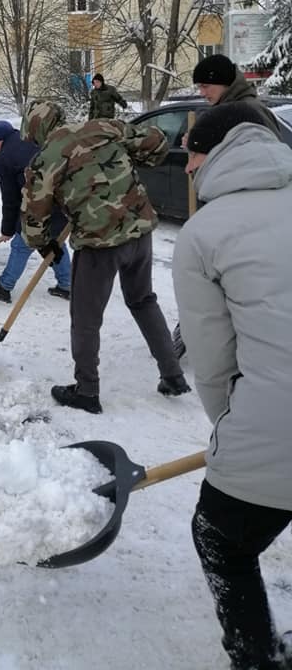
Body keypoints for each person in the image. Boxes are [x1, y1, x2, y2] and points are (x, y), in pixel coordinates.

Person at [172, 102, 292, 670]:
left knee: (221, 537)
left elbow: (214, 362)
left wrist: (230, 434)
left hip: (275, 420)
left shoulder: (203, 235)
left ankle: (256, 658)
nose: (188, 168)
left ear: (214, 152)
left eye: (193, 152)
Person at [20, 100, 189, 414]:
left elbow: (33, 215)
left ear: (35, 129)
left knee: (85, 319)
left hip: (99, 245)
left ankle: (86, 392)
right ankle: (173, 376)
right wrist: (135, 160)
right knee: (143, 300)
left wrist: (44, 244)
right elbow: (155, 141)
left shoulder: (45, 160)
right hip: (140, 231)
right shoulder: (103, 126)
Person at [0, 120, 71, 304]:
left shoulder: (4, 159)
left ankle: (4, 288)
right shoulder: (30, 140)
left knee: (21, 245)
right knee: (54, 242)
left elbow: (10, 199)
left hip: (38, 206)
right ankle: (67, 285)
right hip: (61, 199)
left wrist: (8, 229)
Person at [192, 53, 280, 134]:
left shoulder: (251, 110)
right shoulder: (225, 109)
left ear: (224, 82)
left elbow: (269, 149)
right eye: (199, 87)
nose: (202, 93)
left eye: (205, 86)